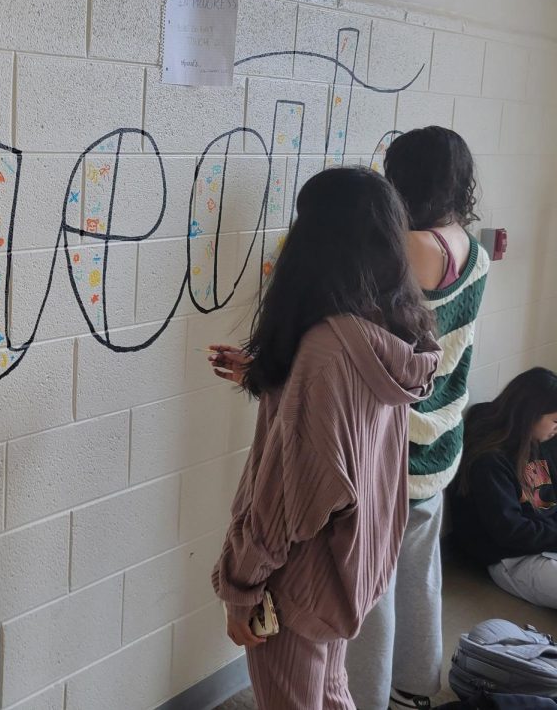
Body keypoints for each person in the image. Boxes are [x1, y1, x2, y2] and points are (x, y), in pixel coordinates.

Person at [213, 127, 489, 710]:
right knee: (334, 687)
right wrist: (275, 378)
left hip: (297, 579)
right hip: (354, 556)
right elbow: (339, 413)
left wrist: (242, 584)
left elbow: (289, 496)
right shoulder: (394, 329)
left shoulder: (328, 349)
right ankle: (413, 686)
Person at [450, 368, 557, 608]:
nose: (556, 428)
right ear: (531, 415)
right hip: (511, 559)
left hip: (540, 543)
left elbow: (544, 504)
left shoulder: (531, 444)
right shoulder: (488, 461)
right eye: (555, 420)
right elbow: (510, 531)